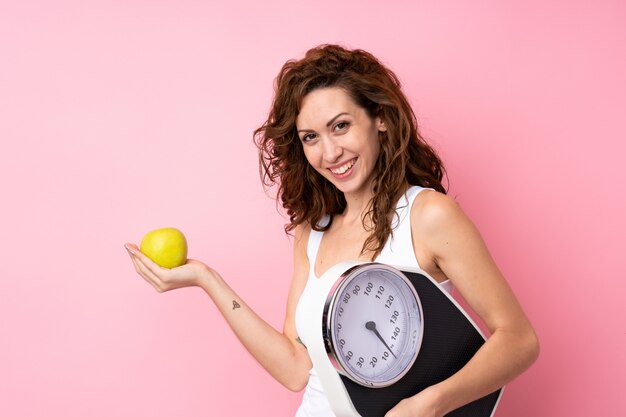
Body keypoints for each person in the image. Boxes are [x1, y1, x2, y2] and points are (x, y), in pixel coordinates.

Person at [125, 44, 539, 417]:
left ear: (379, 118)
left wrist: (427, 406)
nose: (329, 153)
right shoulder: (313, 232)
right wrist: (205, 278)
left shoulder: (428, 215)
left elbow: (519, 340)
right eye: (311, 137)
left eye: (341, 126)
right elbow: (295, 369)